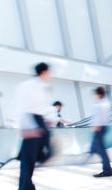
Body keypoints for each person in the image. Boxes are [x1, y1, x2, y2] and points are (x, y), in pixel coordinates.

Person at [16, 62, 54, 190]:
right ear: (43, 72)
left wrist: (46, 121)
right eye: (49, 71)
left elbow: (42, 108)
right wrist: (24, 129)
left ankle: (26, 187)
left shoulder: (44, 86)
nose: (51, 74)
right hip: (31, 125)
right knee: (27, 164)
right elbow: (21, 107)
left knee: (31, 162)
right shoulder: (28, 86)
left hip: (40, 124)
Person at [89, 87, 112, 177]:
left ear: (98, 94)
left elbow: (99, 117)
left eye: (95, 94)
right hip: (102, 127)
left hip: (99, 128)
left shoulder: (100, 104)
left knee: (101, 150)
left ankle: (107, 170)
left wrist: (96, 127)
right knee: (99, 149)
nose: (94, 96)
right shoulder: (105, 103)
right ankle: (107, 170)